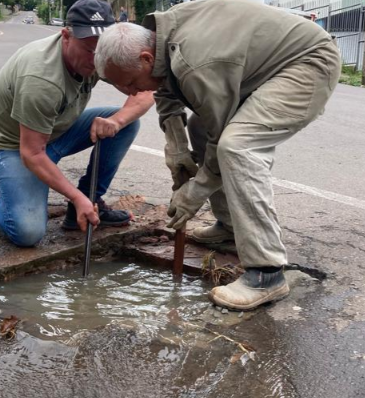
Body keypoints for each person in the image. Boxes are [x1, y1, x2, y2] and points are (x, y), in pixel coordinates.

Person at [94, 0, 341, 310]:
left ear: (145, 57)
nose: (129, 93)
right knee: (200, 126)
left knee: (238, 145)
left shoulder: (196, 60)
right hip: (260, 65)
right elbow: (165, 87)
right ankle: (230, 230)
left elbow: (220, 132)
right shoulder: (161, 38)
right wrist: (177, 146)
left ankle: (267, 273)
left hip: (306, 62)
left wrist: (193, 193)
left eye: (130, 83)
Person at [0, 0, 154, 247]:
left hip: (56, 129)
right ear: (66, 36)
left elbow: (144, 90)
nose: (96, 59)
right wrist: (75, 195)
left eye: (101, 51)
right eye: (89, 49)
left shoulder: (102, 56)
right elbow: (32, 153)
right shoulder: (41, 78)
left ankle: (90, 202)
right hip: (12, 143)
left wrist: (117, 121)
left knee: (126, 124)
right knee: (26, 231)